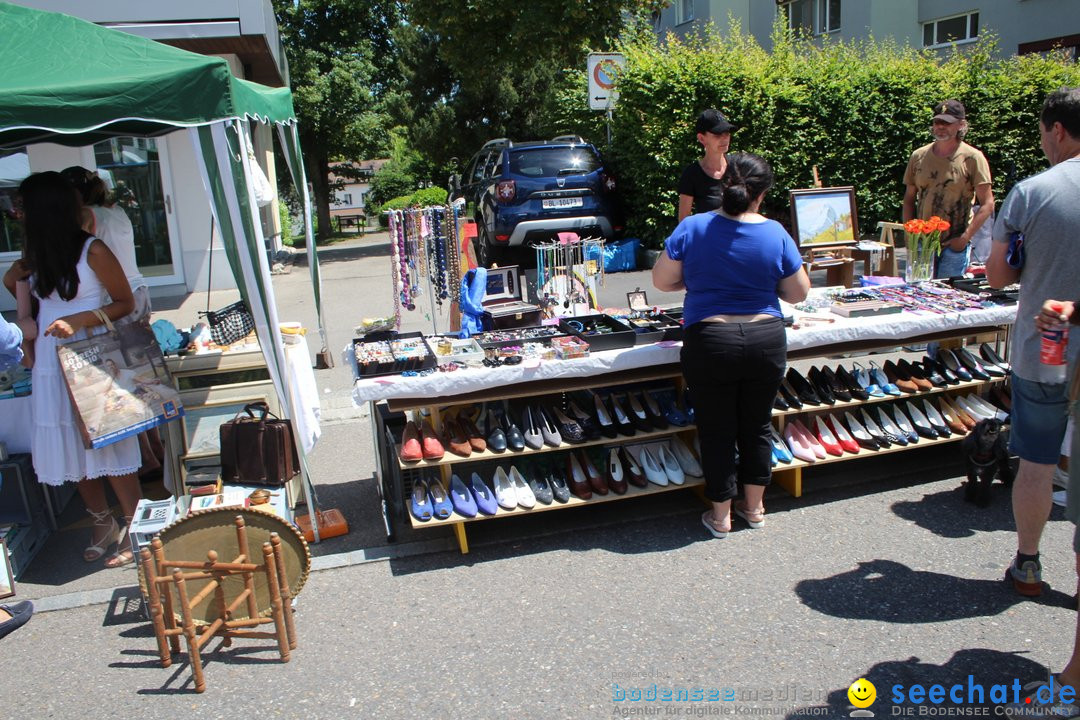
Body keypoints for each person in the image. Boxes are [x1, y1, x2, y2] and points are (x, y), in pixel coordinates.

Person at [654, 152, 810, 538]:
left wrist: (697, 282)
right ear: (762, 193)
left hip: (711, 339)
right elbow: (798, 293)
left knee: (716, 427)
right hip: (764, 337)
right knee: (757, 425)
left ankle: (720, 515)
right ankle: (754, 508)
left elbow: (661, 280)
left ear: (724, 186)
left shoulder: (693, 228)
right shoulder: (776, 233)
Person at [1, 171, 143, 568]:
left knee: (105, 441)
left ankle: (134, 522)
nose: (17, 214)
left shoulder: (93, 250)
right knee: (69, 446)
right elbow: (18, 287)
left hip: (90, 354)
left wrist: (82, 319)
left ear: (43, 210)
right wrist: (14, 276)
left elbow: (124, 302)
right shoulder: (38, 256)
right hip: (50, 360)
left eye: (24, 207)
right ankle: (101, 522)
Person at [986, 87, 1080, 596]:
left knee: (1038, 462)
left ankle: (1028, 563)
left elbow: (998, 276)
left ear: (1058, 130)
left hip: (1050, 348)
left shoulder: (1032, 191)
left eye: (1044, 132)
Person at [902, 99, 994, 278]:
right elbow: (908, 199)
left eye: (947, 122)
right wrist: (909, 235)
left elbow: (988, 204)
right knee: (918, 294)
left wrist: (965, 238)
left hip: (954, 245)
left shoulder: (973, 158)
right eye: (937, 122)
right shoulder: (918, 156)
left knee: (949, 295)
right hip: (922, 242)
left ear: (961, 125)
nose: (941, 127)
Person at [60, 166, 150, 324]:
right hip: (139, 290)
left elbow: (75, 255)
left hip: (115, 298)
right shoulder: (118, 210)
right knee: (139, 346)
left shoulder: (85, 214)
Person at [676, 109, 737, 222]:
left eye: (727, 133)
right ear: (701, 138)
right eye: (717, 134)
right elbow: (683, 222)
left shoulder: (738, 167)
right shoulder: (692, 174)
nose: (724, 139)